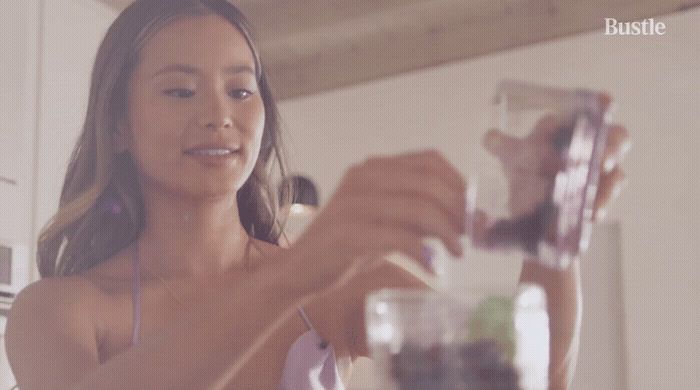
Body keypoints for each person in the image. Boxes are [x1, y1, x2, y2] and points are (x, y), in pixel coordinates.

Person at [4, 0, 630, 389]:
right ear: (118, 125)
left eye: (240, 90)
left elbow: (532, 379)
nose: (219, 116)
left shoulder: (339, 288)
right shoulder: (58, 311)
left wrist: (552, 233)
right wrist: (298, 269)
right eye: (178, 91)